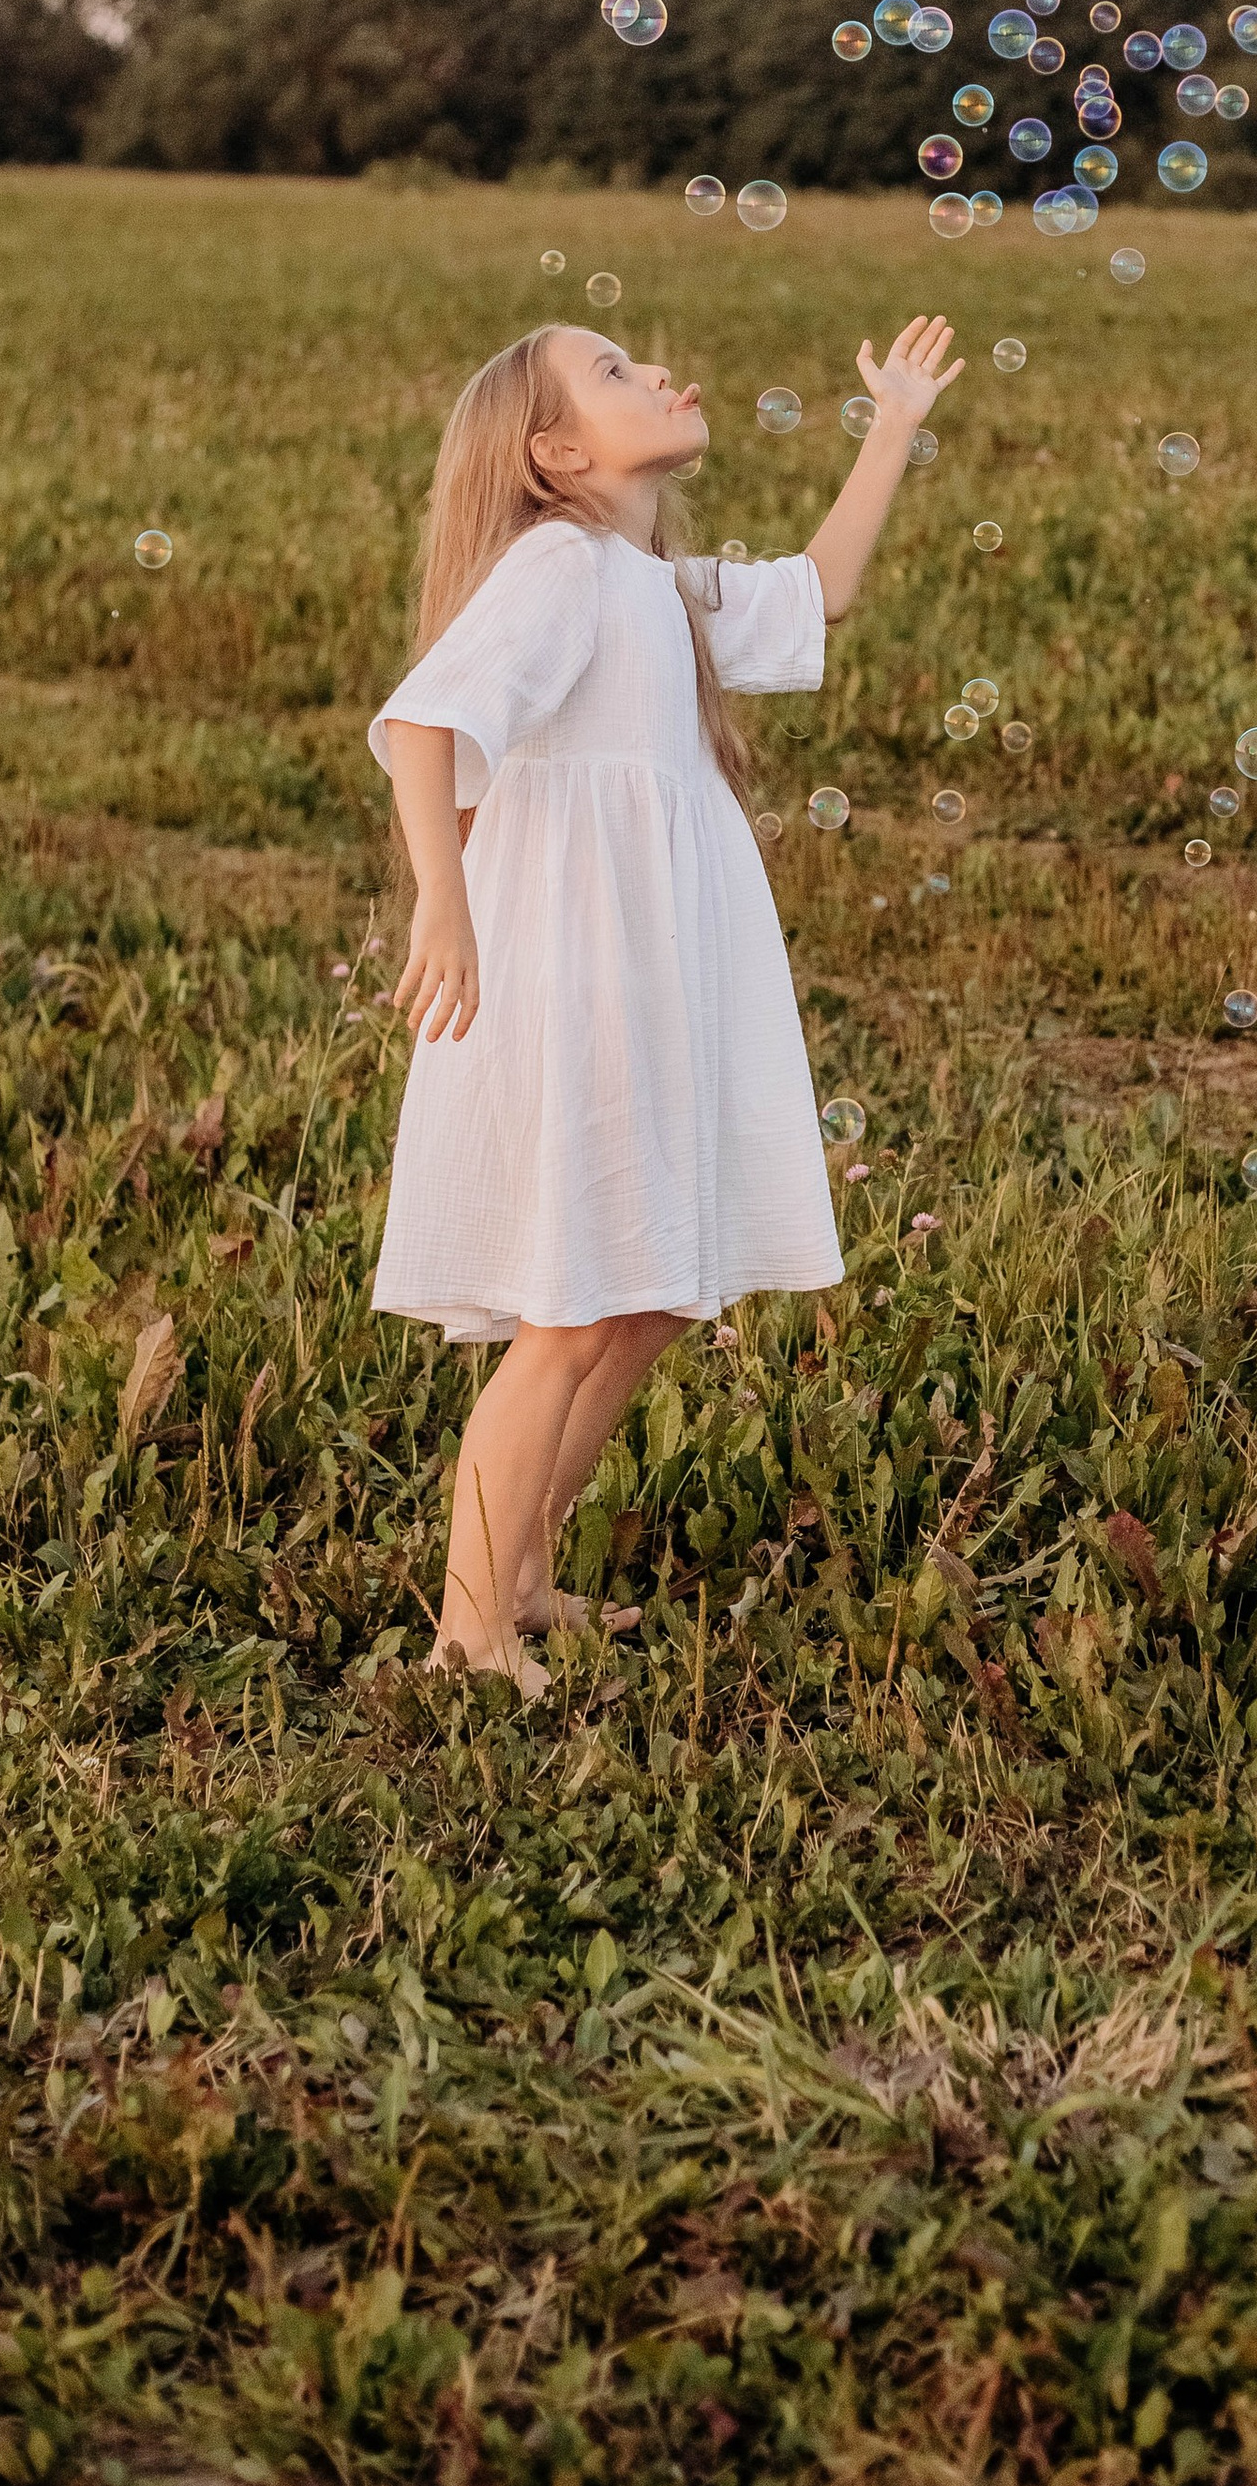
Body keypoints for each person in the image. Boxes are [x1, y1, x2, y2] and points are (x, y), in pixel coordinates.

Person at [372, 309, 962, 1693]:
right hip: (575, 966)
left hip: (660, 962)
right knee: (571, 1310)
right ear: (557, 452)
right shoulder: (558, 568)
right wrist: (442, 899)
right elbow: (422, 722)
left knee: (641, 1301)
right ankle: (466, 1633)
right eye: (618, 373)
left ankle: (523, 1568)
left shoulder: (658, 585)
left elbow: (821, 589)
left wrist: (890, 427)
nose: (663, 376)